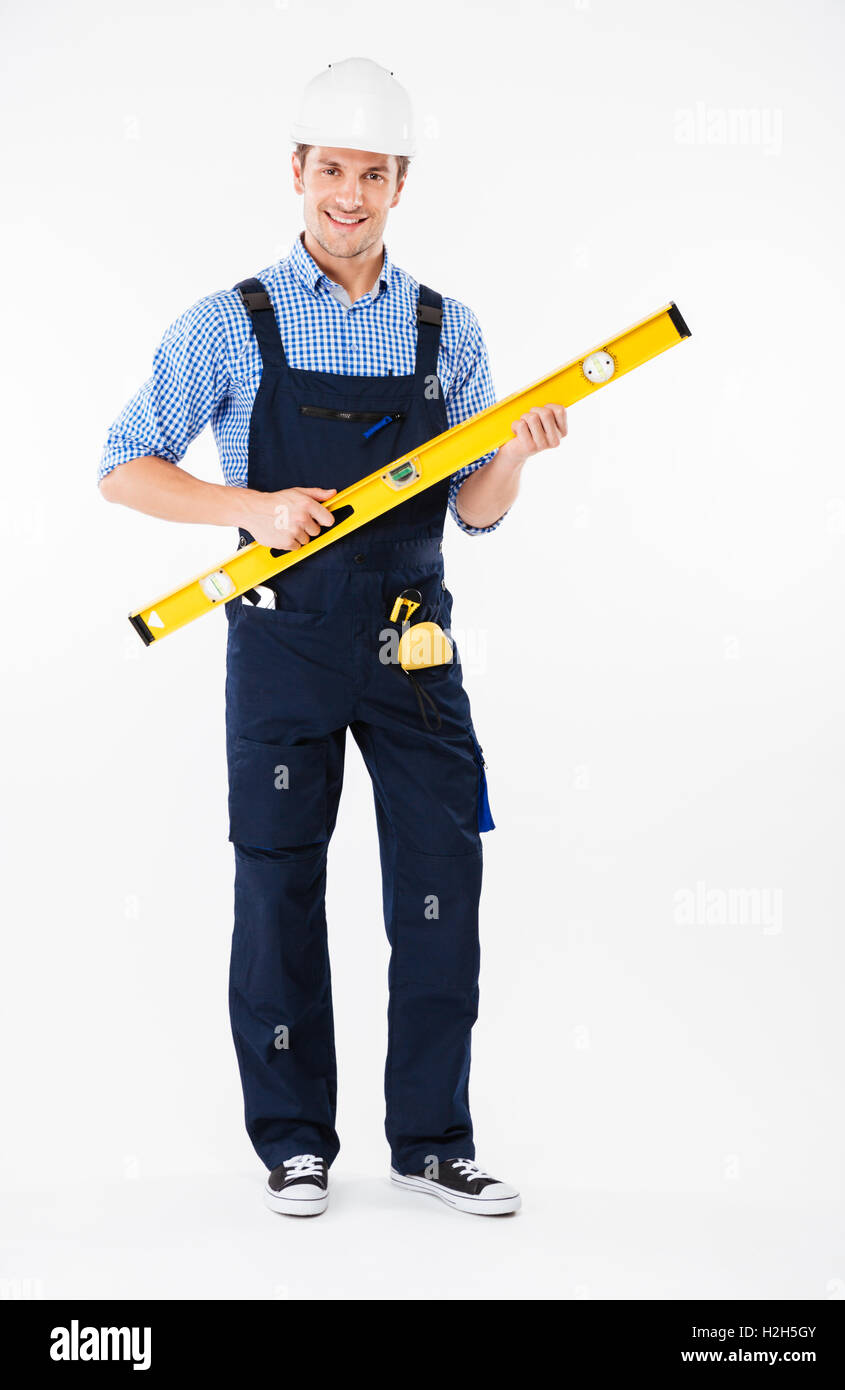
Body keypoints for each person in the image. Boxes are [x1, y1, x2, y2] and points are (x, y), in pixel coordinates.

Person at [99, 57, 567, 1218]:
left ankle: (432, 1142)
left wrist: (511, 453)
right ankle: (295, 1142)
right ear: (295, 173)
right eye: (330, 171)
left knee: (437, 883)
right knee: (276, 885)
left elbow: (473, 511)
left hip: (413, 641)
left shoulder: (445, 329)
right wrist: (247, 509)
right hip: (282, 641)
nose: (347, 195)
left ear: (398, 184)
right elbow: (123, 466)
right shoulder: (228, 322)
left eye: (372, 173)